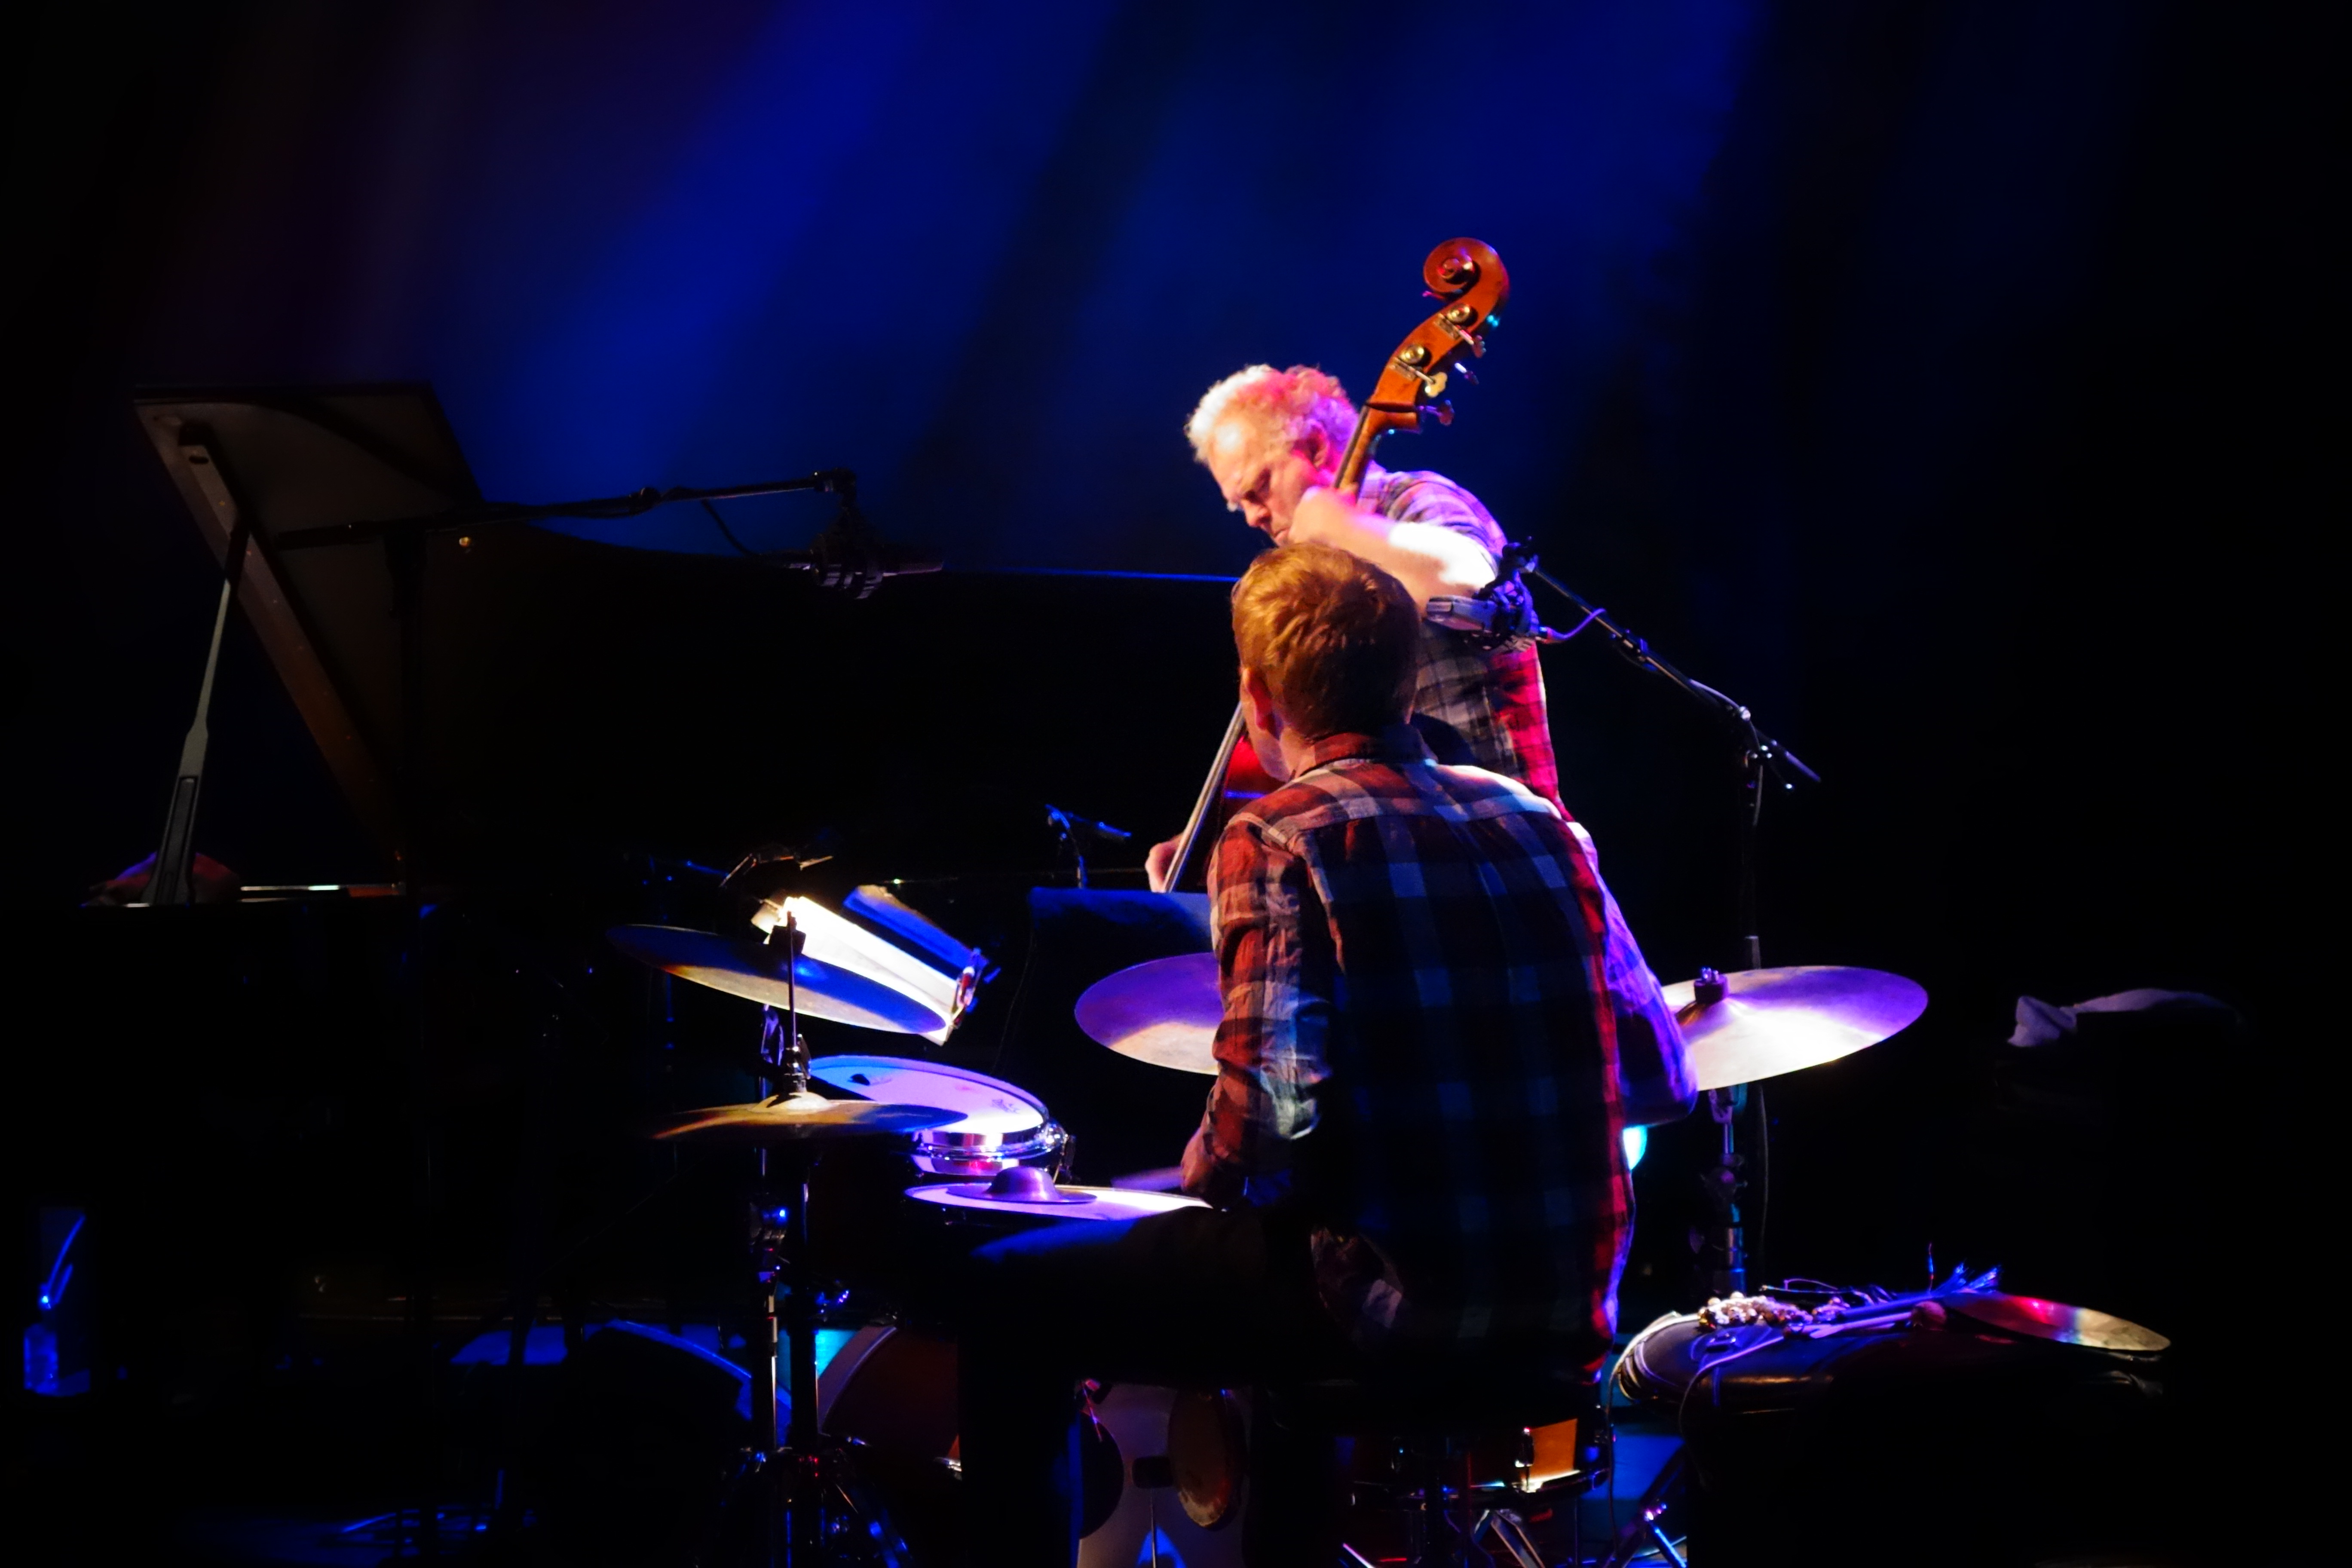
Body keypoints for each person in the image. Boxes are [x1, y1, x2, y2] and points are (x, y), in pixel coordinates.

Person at [959, 544, 1692, 1565]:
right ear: (1405, 679)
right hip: (1567, 1314)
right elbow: (1663, 1080)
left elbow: (1264, 1127)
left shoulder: (1277, 834)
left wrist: (1187, 1181)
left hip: (1397, 1312)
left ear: (1257, 699)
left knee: (1008, 1286)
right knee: (1291, 1263)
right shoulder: (1545, 827)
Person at [1146, 363, 1558, 891]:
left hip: (1507, 848)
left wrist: (1339, 524)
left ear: (1316, 450)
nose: (1252, 517)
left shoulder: (1411, 500)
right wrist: (1204, 835)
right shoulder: (1318, 580)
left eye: (1260, 488)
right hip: (1410, 860)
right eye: (1240, 504)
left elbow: (1474, 581)